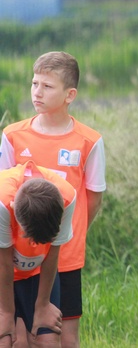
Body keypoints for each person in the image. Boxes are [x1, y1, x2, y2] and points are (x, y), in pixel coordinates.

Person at [0, 51, 106, 348]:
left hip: (65, 252)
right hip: (19, 255)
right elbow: (6, 200)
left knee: (63, 337)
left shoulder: (89, 140)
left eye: (47, 86)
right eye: (35, 83)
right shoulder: (12, 135)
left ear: (70, 94)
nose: (37, 91)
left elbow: (93, 198)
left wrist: (64, 233)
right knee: (20, 336)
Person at [0, 162, 76, 348]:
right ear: (16, 215)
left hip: (35, 273)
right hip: (3, 267)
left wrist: (43, 305)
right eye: (29, 237)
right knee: (5, 339)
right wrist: (6, 312)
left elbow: (53, 253)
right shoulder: (2, 202)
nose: (33, 244)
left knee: (48, 340)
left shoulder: (66, 198)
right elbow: (4, 263)